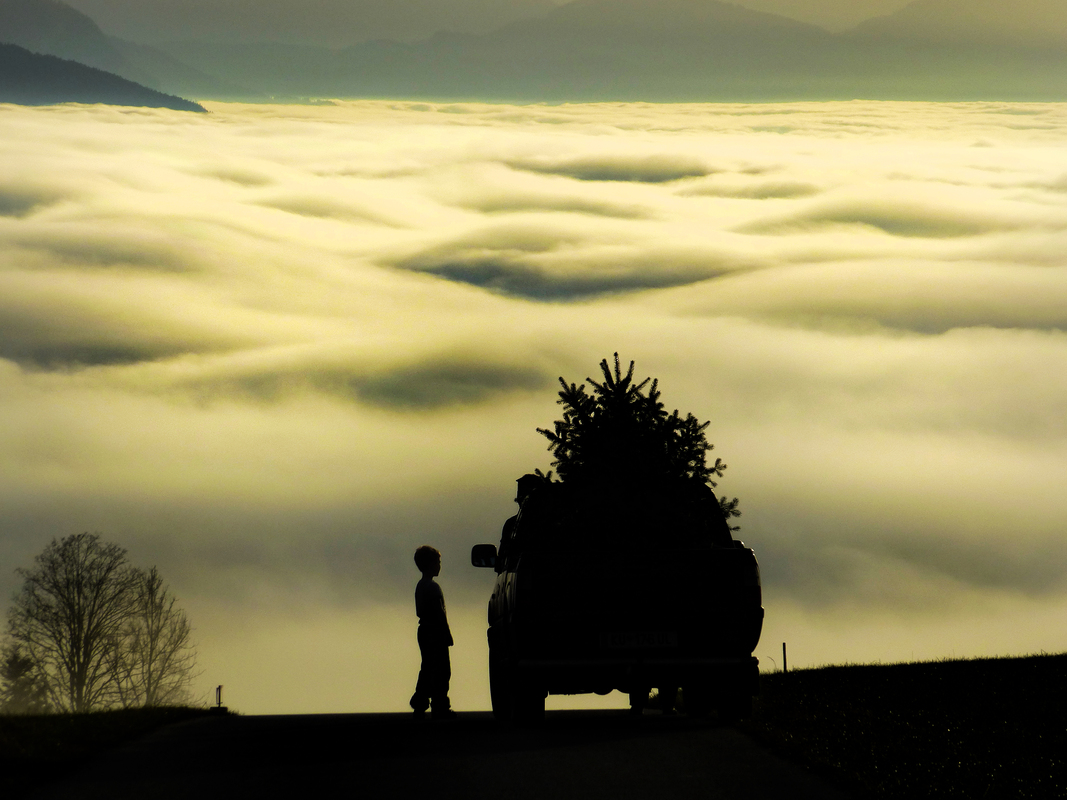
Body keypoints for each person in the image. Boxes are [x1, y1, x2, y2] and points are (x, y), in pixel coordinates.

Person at [409, 546, 456, 719]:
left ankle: (420, 701)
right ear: (430, 564)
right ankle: (440, 705)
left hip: (424, 630)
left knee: (428, 667)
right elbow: (439, 613)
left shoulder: (420, 586)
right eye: (438, 562)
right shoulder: (432, 587)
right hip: (434, 631)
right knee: (442, 670)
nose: (439, 566)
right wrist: (447, 633)